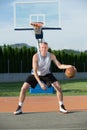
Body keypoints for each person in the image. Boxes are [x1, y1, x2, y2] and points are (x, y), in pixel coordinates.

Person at [14, 42, 75, 115]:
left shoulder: (51, 55)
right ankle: (19, 107)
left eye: (45, 47)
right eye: (42, 47)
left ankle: (61, 106)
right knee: (23, 88)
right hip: (35, 75)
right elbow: (35, 71)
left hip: (46, 75)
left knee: (58, 87)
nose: (44, 49)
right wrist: (40, 83)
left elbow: (59, 65)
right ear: (39, 48)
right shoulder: (36, 56)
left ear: (47, 48)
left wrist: (70, 66)